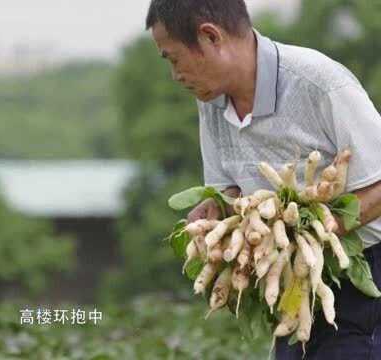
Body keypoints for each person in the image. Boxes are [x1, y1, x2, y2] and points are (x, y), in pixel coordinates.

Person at [145, 0, 381, 358]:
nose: (175, 75)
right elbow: (230, 191)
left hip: (363, 272)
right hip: (291, 282)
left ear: (211, 36)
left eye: (173, 59)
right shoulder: (211, 101)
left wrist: (314, 231)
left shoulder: (319, 83)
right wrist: (217, 213)